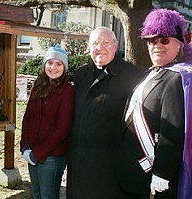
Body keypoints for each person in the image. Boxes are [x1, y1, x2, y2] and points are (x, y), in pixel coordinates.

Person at [118, 8, 192, 199]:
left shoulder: (178, 77)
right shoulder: (149, 74)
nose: (157, 45)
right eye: (152, 40)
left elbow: (173, 132)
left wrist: (162, 173)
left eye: (165, 40)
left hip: (154, 179)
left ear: (179, 45)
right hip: (132, 174)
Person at [67, 26, 143, 199]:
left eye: (106, 42)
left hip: (110, 165)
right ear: (89, 47)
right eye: (95, 43)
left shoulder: (132, 75)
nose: (100, 47)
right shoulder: (80, 74)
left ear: (116, 46)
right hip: (79, 161)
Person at [20, 44, 75, 199]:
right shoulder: (38, 85)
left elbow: (62, 129)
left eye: (58, 64)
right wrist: (25, 146)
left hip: (52, 157)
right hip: (31, 152)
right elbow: (27, 117)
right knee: (37, 195)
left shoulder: (67, 91)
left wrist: (38, 153)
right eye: (50, 62)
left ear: (64, 67)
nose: (53, 67)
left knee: (48, 196)